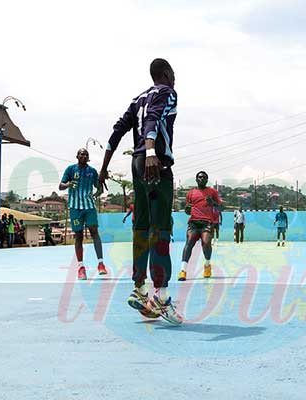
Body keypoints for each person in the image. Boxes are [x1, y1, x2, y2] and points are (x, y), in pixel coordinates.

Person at [97, 58, 182, 324]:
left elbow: (117, 131)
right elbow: (154, 121)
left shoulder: (138, 99)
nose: (175, 78)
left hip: (137, 165)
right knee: (161, 228)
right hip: (153, 164)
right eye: (173, 74)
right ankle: (162, 295)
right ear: (166, 74)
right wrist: (150, 153)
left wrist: (104, 168)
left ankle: (139, 287)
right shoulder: (168, 93)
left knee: (141, 227)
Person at [60, 148, 108, 280]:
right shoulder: (70, 169)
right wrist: (69, 184)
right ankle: (81, 267)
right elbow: (61, 185)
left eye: (86, 154)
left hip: (89, 207)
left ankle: (101, 264)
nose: (84, 156)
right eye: (82, 154)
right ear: (77, 156)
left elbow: (99, 189)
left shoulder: (92, 171)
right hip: (75, 208)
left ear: (88, 157)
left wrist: (97, 192)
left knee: (94, 232)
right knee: (79, 235)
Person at [178, 171, 220, 281]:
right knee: (189, 243)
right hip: (193, 222)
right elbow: (188, 210)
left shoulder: (212, 192)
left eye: (204, 177)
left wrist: (213, 203)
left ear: (207, 180)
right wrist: (187, 210)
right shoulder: (191, 193)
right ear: (196, 179)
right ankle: (183, 270)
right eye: (199, 177)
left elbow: (221, 208)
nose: (201, 179)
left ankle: (207, 265)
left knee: (206, 243)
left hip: (206, 223)